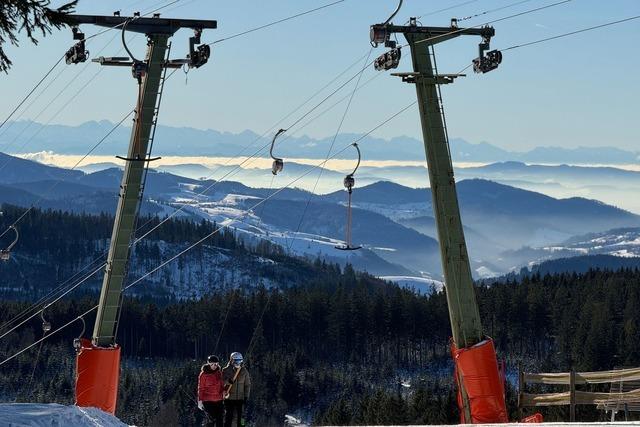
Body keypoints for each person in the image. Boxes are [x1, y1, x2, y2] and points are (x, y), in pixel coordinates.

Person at [223, 352, 251, 427]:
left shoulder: (244, 371)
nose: (238, 363)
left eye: (240, 361)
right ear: (231, 360)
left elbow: (247, 385)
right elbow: (222, 381)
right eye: (236, 361)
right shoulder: (226, 370)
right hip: (229, 398)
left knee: (241, 417)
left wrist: (246, 396)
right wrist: (228, 381)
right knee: (229, 416)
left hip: (240, 398)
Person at [198, 355, 225, 427]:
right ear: (208, 363)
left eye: (216, 364)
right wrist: (200, 401)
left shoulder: (219, 373)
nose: (214, 366)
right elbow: (201, 388)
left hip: (219, 400)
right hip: (208, 401)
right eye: (212, 364)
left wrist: (224, 392)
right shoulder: (203, 374)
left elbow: (222, 385)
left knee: (220, 419)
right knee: (211, 419)